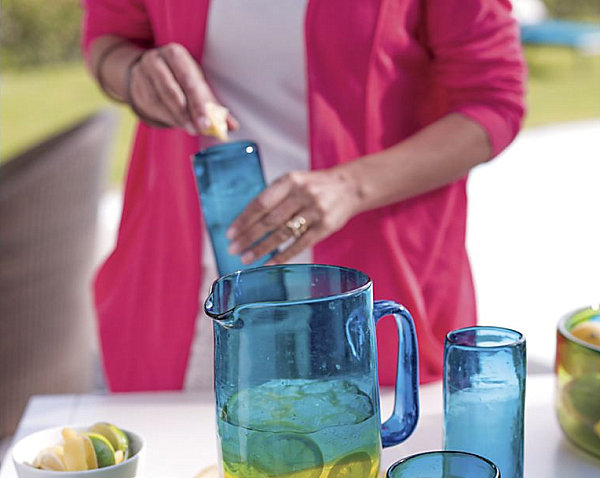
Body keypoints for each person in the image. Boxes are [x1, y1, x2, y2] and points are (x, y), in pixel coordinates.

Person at [82, 0, 526, 391]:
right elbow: (108, 41)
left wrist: (351, 186)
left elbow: (494, 101)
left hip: (373, 284)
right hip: (188, 285)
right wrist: (135, 73)